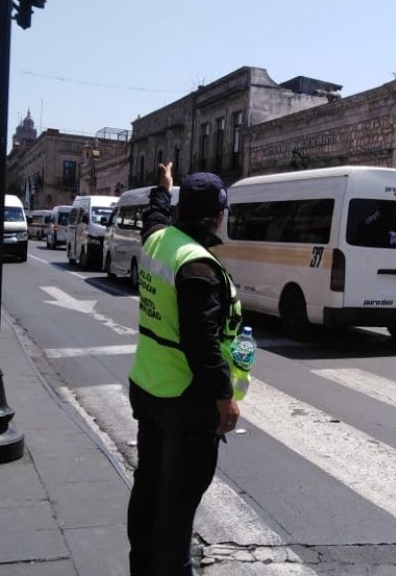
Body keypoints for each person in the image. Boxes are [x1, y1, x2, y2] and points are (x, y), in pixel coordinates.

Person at [127, 162, 242, 576]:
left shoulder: (160, 240)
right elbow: (201, 343)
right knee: (176, 508)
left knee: (149, 491)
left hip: (150, 388)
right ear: (216, 217)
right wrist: (224, 397)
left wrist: (163, 188)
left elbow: (153, 218)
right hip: (187, 401)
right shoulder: (198, 265)